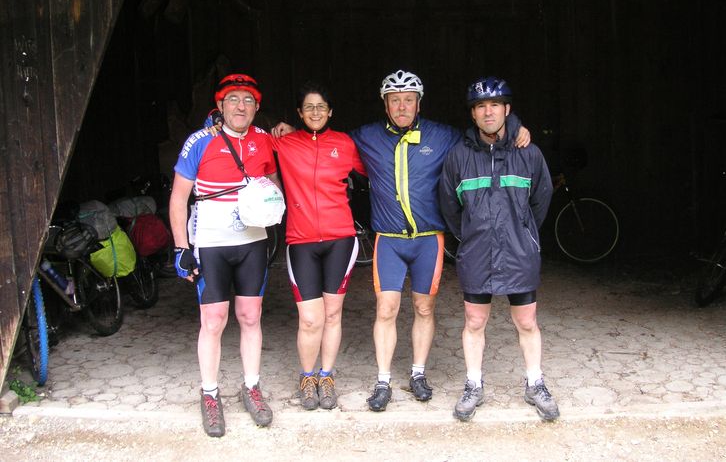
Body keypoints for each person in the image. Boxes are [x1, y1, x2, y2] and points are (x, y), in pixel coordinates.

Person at [275, 70, 529, 411]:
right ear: (385, 104)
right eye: (394, 100)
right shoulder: (365, 137)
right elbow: (322, 137)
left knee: (424, 307)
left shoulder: (442, 135)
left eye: (409, 99)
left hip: (428, 239)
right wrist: (291, 130)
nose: (402, 106)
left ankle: (418, 373)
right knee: (386, 309)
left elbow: (481, 133)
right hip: (390, 239)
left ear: (419, 103)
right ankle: (383, 380)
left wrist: (516, 127)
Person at [438, 77, 558, 422]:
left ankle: (535, 383)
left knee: (527, 320)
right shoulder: (458, 157)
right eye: (480, 106)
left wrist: (524, 231)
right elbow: (449, 206)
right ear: (473, 114)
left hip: (519, 251)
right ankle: (473, 385)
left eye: (494, 105)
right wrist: (471, 235)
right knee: (475, 320)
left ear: (507, 109)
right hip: (477, 252)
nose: (487, 112)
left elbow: (542, 198)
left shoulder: (528, 152)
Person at [169, 73, 280, 437]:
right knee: (213, 320)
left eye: (248, 100)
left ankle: (252, 387)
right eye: (233, 99)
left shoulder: (264, 140)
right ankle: (210, 394)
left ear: (257, 107)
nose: (240, 106)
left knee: (250, 315)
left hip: (252, 243)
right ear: (219, 105)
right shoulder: (199, 141)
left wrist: (272, 206)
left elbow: (274, 184)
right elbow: (178, 198)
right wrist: (181, 248)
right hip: (212, 243)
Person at [271, 81, 367, 411]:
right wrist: (213, 125)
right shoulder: (284, 142)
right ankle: (307, 376)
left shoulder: (345, 143)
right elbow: (246, 138)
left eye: (321, 107)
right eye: (309, 107)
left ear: (330, 111)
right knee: (311, 319)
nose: (315, 112)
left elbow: (379, 169)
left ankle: (326, 376)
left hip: (340, 238)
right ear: (299, 113)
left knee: (333, 313)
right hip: (302, 241)